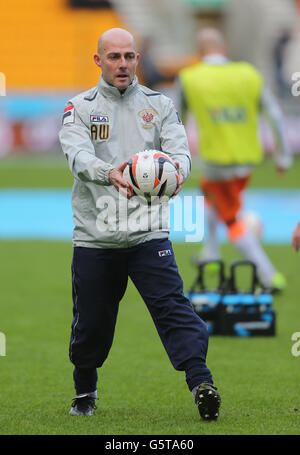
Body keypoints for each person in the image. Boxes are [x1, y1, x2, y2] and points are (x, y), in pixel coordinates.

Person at [59, 28, 221, 420]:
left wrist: (175, 173)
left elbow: (180, 152)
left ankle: (202, 383)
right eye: (114, 57)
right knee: (92, 323)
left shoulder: (160, 104)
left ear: (137, 59)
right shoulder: (79, 107)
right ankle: (85, 391)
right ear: (98, 61)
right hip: (97, 237)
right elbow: (76, 156)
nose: (123, 64)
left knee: (173, 307)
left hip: (150, 231)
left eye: (129, 56)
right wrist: (108, 172)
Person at [177, 28, 292, 292]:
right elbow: (274, 113)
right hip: (248, 160)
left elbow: (176, 119)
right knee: (208, 192)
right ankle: (212, 254)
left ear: (199, 52)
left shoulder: (189, 77)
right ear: (224, 49)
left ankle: (269, 275)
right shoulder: (249, 73)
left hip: (217, 161)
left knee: (231, 216)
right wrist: (282, 156)